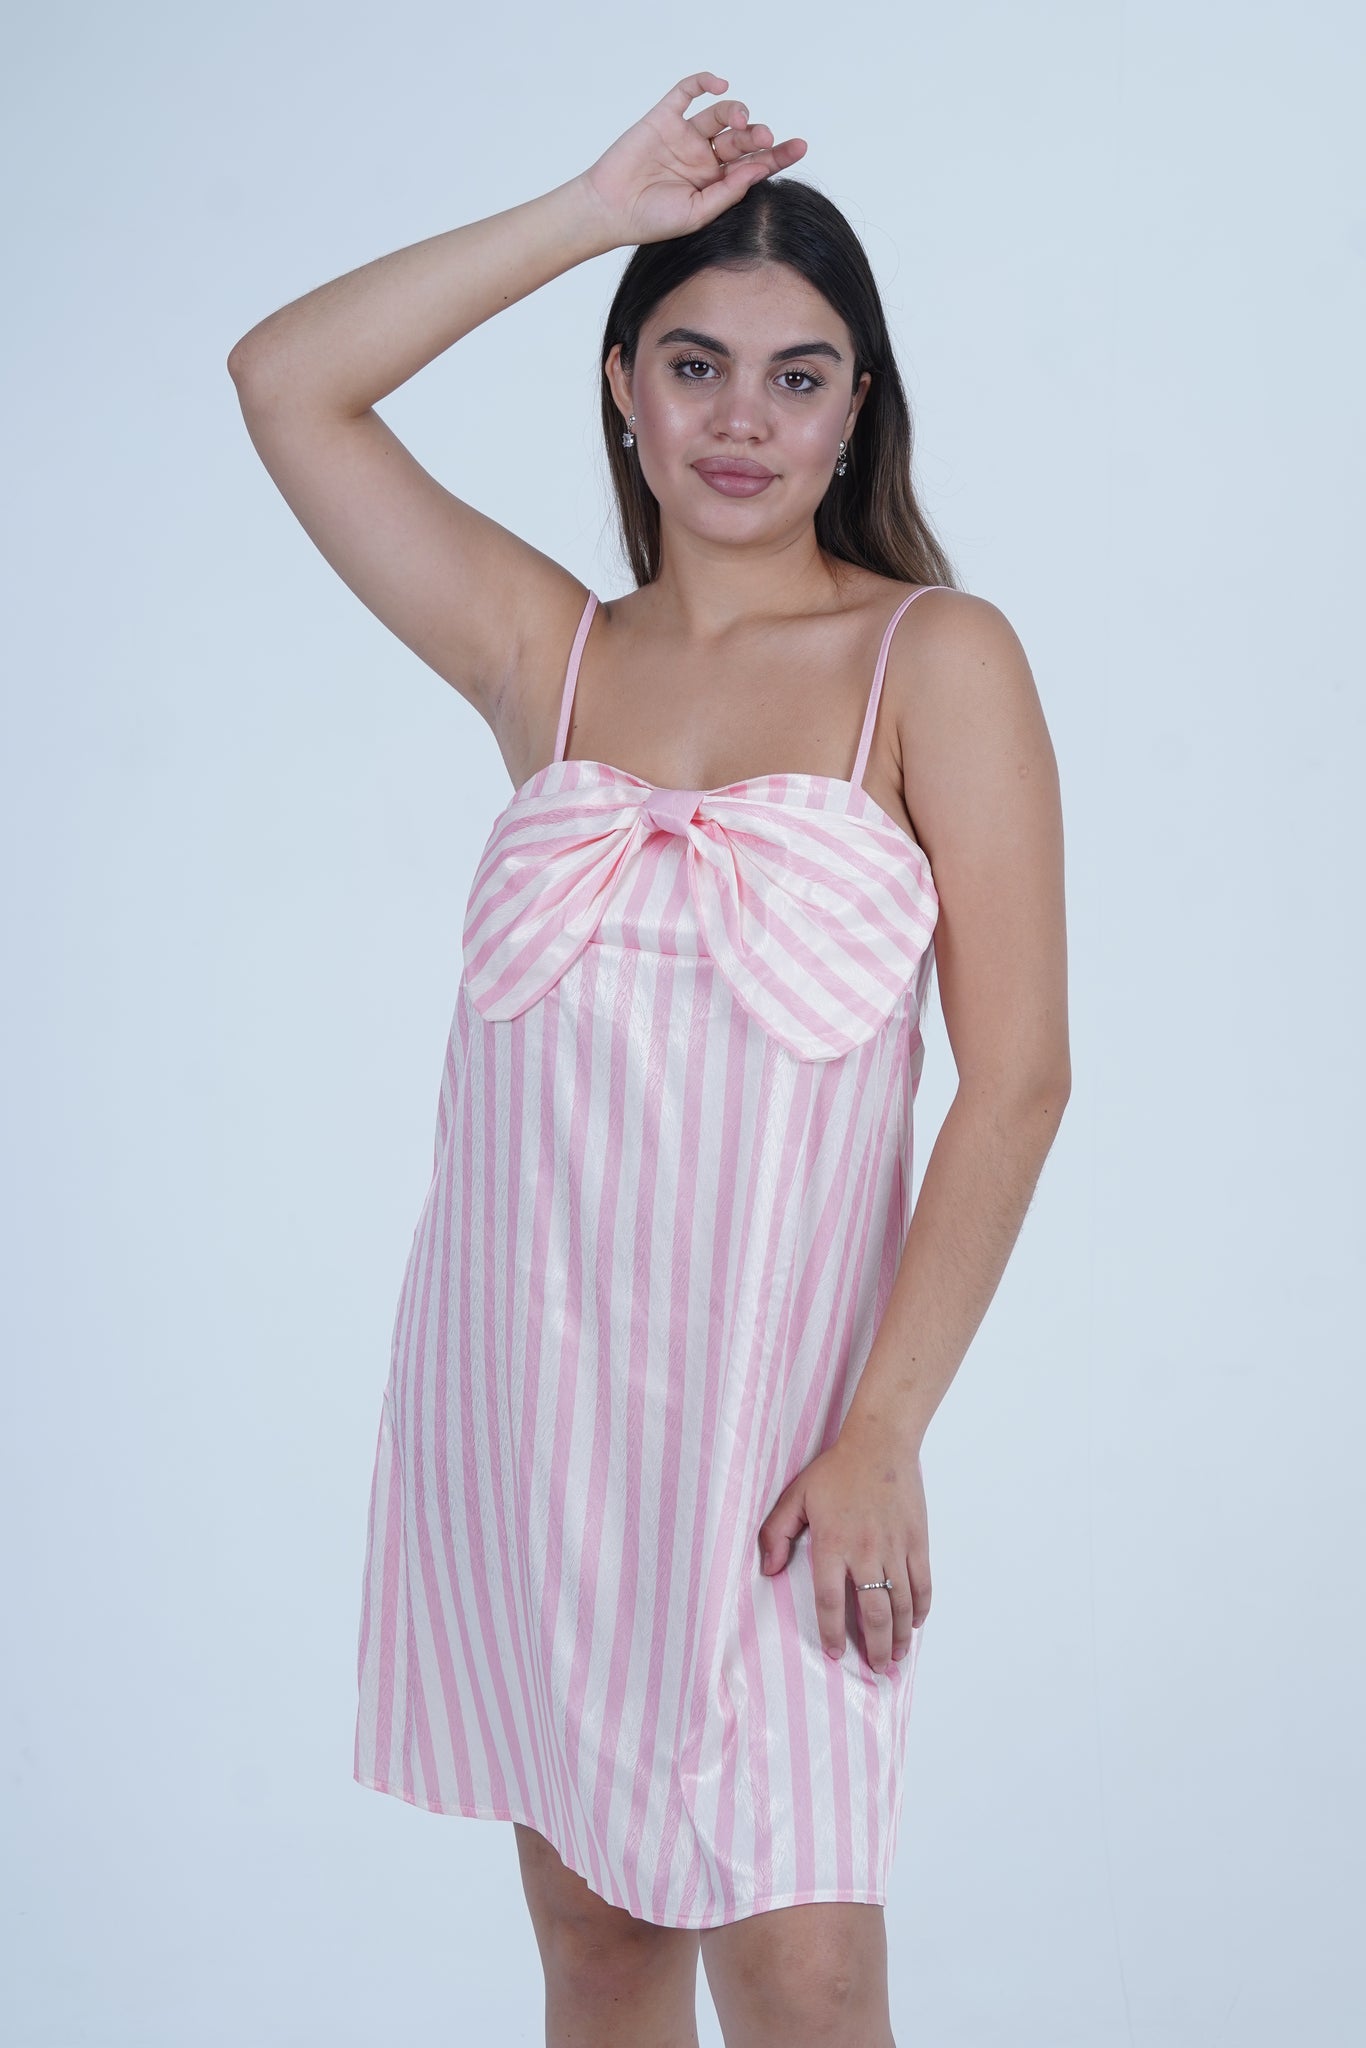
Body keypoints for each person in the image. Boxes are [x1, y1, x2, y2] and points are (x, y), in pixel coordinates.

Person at [228, 69, 1070, 2048]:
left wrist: (883, 1429)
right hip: (529, 1420)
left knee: (805, 1978)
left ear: (854, 409)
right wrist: (592, 212)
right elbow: (285, 384)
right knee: (601, 1957)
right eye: (692, 366)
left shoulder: (930, 660)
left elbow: (1018, 1075)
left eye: (796, 377)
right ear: (622, 388)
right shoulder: (551, 653)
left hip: (785, 1441)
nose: (740, 419)